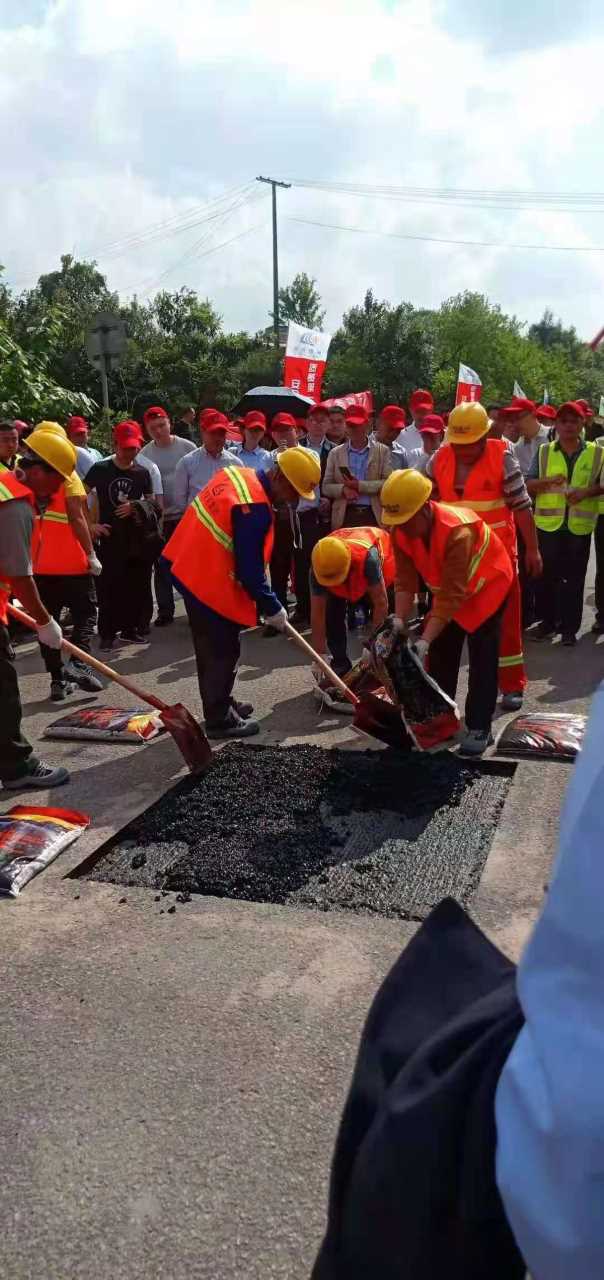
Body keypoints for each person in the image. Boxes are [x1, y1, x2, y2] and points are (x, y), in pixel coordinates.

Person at [162, 448, 321, 739]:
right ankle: (219, 719)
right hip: (204, 578)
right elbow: (249, 569)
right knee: (220, 649)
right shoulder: (254, 508)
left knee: (221, 645)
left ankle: (221, 699)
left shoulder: (240, 476)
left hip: (189, 560)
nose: (293, 501)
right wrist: (273, 606)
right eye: (294, 492)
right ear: (279, 476)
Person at [380, 468, 513, 756]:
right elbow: (404, 582)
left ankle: (479, 726)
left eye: (406, 520)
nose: (401, 528)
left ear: (425, 508)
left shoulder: (457, 531)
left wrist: (424, 640)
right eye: (397, 522)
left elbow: (453, 594)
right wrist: (399, 623)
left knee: (482, 657)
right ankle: (441, 721)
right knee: (440, 655)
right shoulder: (400, 529)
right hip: (450, 591)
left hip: (488, 586)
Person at [428, 401, 541, 711]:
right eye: (458, 443)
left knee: (504, 627)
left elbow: (521, 506)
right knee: (447, 630)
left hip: (497, 561)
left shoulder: (502, 457)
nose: (463, 450)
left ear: (484, 435)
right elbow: (427, 501)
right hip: (455, 559)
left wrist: (532, 549)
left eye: (470, 443)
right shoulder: (440, 458)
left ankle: (511, 685)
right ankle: (439, 696)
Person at [0, 429, 75, 790]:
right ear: (40, 470)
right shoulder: (16, 505)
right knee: (3, 691)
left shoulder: (3, 482)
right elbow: (20, 575)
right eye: (58, 479)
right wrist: (46, 623)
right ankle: (17, 767)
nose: (59, 489)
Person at [527, 401, 604, 645]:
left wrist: (586, 492)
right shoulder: (544, 451)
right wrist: (547, 481)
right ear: (557, 425)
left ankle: (569, 629)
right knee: (546, 577)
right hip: (548, 525)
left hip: (578, 527)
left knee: (575, 578)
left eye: (574, 421)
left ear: (583, 423)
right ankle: (548, 623)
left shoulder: (597, 453)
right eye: (564, 421)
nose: (569, 426)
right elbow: (528, 483)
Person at [85, 420, 155, 649]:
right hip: (108, 539)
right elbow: (76, 499)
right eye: (125, 448)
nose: (129, 453)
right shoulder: (100, 470)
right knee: (108, 589)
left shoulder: (143, 473)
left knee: (135, 587)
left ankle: (130, 629)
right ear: (115, 445)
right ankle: (107, 633)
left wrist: (136, 505)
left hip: (135, 541)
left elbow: (152, 503)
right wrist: (89, 525)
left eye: (134, 448)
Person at [310, 527, 394, 680]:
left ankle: (382, 665)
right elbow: (318, 614)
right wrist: (318, 654)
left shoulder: (369, 559)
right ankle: (340, 665)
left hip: (381, 564)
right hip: (344, 566)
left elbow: (381, 604)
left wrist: (373, 646)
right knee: (332, 614)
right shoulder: (320, 564)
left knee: (388, 621)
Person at [138, 407, 195, 627]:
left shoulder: (187, 447)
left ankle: (193, 607)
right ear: (147, 430)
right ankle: (165, 610)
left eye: (162, 425)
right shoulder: (144, 455)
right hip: (160, 518)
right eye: (153, 428)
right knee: (161, 566)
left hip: (185, 516)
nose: (158, 431)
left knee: (187, 565)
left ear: (169, 423)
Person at [290, 408, 333, 628]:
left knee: (323, 562)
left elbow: (335, 480)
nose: (317, 425)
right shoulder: (296, 448)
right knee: (301, 563)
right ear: (306, 423)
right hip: (300, 513)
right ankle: (303, 607)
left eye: (322, 421)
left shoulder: (334, 450)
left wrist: (328, 499)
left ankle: (323, 609)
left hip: (324, 515)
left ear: (328, 424)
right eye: (313, 420)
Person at [323, 405, 392, 530]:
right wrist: (343, 490)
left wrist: (360, 486)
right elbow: (326, 487)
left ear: (367, 425)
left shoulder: (382, 451)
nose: (353, 429)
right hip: (344, 516)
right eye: (350, 425)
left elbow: (388, 483)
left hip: (374, 515)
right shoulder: (335, 453)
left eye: (357, 425)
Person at [173, 409, 243, 512]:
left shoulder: (236, 464)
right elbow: (180, 501)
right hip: (196, 523)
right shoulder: (187, 463)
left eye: (221, 433)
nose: (217, 438)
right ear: (202, 431)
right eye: (213, 433)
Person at [398, 388, 434, 454]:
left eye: (424, 411)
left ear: (431, 410)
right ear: (410, 410)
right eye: (417, 411)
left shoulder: (442, 436)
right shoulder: (400, 436)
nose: (421, 415)